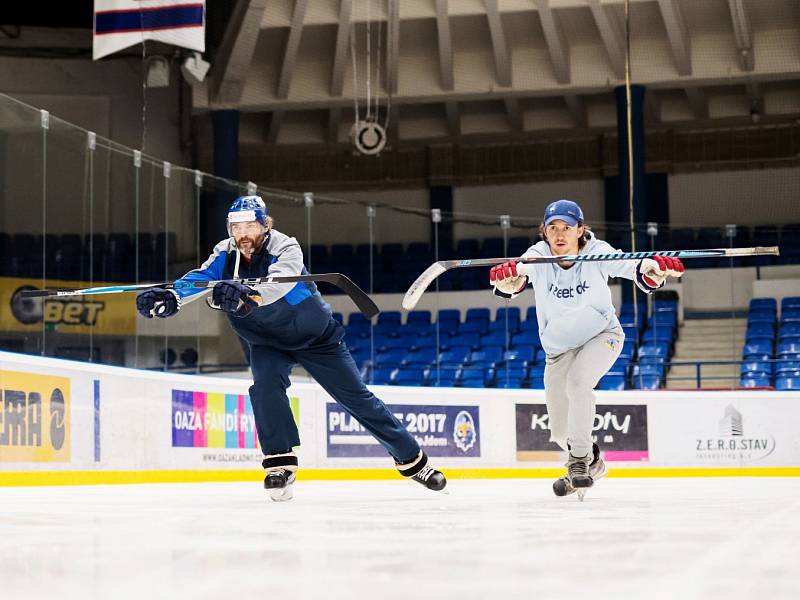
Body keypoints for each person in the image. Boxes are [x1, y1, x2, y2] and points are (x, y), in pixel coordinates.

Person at [136, 195, 446, 501]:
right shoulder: (225, 252)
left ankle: (412, 461)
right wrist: (172, 296)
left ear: (265, 225)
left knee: (359, 400)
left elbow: (279, 283)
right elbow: (202, 279)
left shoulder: (285, 247)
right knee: (265, 388)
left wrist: (248, 295)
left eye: (249, 227)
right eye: (235, 227)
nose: (242, 235)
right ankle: (279, 465)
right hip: (265, 341)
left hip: (316, 339)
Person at [489, 199, 684, 498]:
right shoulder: (538, 256)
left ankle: (578, 462)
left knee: (579, 384)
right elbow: (518, 278)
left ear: (580, 230)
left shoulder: (597, 252)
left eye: (567, 227)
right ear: (544, 231)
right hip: (558, 350)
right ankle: (593, 462)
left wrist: (650, 267)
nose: (559, 234)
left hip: (602, 336)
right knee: (558, 430)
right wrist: (507, 280)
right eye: (553, 228)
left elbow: (630, 265)